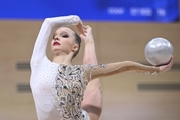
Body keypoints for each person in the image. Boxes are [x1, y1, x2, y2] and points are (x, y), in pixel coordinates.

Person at [30, 15, 173, 120]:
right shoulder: (38, 63)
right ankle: (89, 41)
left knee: (94, 87)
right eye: (55, 36)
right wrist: (76, 20)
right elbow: (48, 22)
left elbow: (126, 66)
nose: (56, 38)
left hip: (83, 117)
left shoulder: (81, 72)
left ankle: (89, 42)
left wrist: (156, 70)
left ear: (75, 47)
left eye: (64, 35)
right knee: (92, 85)